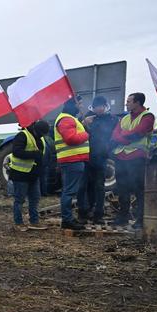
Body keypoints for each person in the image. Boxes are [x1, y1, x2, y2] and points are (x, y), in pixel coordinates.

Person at [110, 92, 155, 228]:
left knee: (138, 190)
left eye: (129, 101)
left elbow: (138, 133)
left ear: (138, 103)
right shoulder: (124, 118)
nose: (126, 103)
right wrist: (124, 137)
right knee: (122, 189)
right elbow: (114, 136)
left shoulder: (148, 116)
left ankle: (140, 220)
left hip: (137, 158)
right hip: (121, 157)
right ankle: (123, 217)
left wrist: (122, 137)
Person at [77, 96, 119, 224]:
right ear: (93, 107)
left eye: (100, 106)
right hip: (86, 157)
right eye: (96, 107)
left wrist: (108, 150)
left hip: (101, 158)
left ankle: (98, 214)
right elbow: (77, 132)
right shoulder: (87, 118)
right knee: (83, 186)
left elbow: (116, 137)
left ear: (105, 106)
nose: (98, 109)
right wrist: (83, 124)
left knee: (99, 187)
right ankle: (83, 213)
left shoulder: (112, 119)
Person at [54, 96, 90, 230]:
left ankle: (68, 219)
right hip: (72, 160)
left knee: (69, 191)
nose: (81, 106)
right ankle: (67, 220)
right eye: (80, 104)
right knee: (69, 192)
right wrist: (86, 134)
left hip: (74, 160)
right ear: (73, 105)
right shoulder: (66, 119)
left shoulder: (69, 119)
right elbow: (70, 138)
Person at [9, 120, 50, 231]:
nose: (42, 135)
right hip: (20, 174)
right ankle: (18, 223)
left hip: (34, 175)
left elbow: (42, 154)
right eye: (41, 133)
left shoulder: (40, 138)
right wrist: (34, 155)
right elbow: (16, 152)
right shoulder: (22, 135)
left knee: (35, 199)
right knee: (19, 200)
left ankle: (34, 222)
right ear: (36, 130)